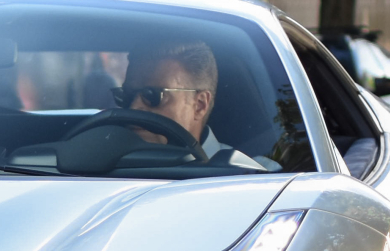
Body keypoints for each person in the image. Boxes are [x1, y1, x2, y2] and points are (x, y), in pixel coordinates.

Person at [117, 44, 276, 169]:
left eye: (152, 95)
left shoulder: (257, 176)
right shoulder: (100, 166)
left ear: (199, 105)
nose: (134, 106)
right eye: (127, 94)